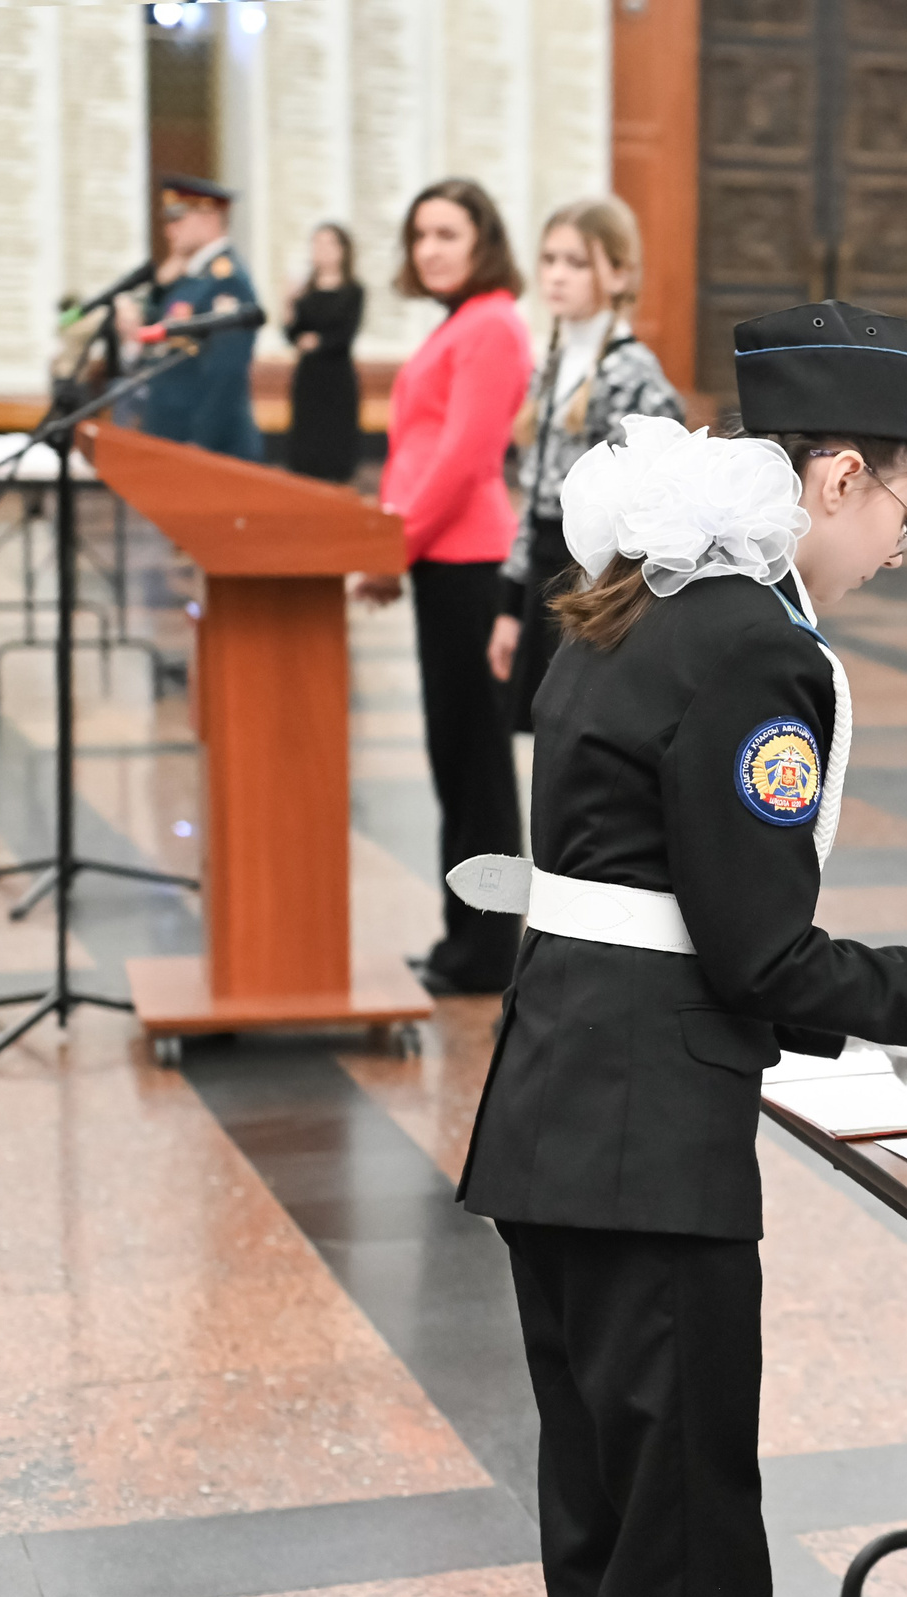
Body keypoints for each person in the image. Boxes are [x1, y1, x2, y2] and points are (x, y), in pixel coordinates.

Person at [454, 300, 907, 1597]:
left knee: (602, 1529)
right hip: (649, 1149)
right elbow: (765, 957)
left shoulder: (643, 595)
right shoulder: (751, 645)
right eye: (906, 517)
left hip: (553, 1113)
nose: (898, 554)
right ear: (839, 478)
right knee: (684, 1554)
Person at [347, 179, 535, 996]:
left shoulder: (492, 323)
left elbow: (462, 459)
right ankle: (468, 937)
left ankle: (489, 948)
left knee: (475, 765)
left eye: (447, 233)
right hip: (441, 557)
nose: (429, 248)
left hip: (467, 559)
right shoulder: (462, 321)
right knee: (456, 758)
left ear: (482, 241)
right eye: (420, 234)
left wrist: (395, 545)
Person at [487, 196, 682, 728]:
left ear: (619, 275)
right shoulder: (552, 367)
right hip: (543, 575)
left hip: (596, 585)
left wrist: (610, 612)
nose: (556, 276)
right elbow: (532, 498)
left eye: (576, 262)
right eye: (549, 260)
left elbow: (646, 516)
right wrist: (510, 606)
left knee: (582, 732)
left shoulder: (634, 374)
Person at [119, 174, 264, 460]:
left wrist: (202, 442)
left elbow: (226, 372)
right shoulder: (191, 278)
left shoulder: (226, 280)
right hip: (171, 435)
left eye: (178, 219)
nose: (169, 230)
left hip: (203, 448)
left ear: (209, 217)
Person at [282, 221, 364, 482]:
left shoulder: (353, 290)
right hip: (309, 376)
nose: (321, 250)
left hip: (337, 376)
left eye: (328, 243)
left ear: (343, 249)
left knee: (335, 444)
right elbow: (293, 335)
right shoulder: (305, 291)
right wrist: (288, 305)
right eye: (317, 243)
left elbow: (345, 335)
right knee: (306, 445)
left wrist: (317, 341)